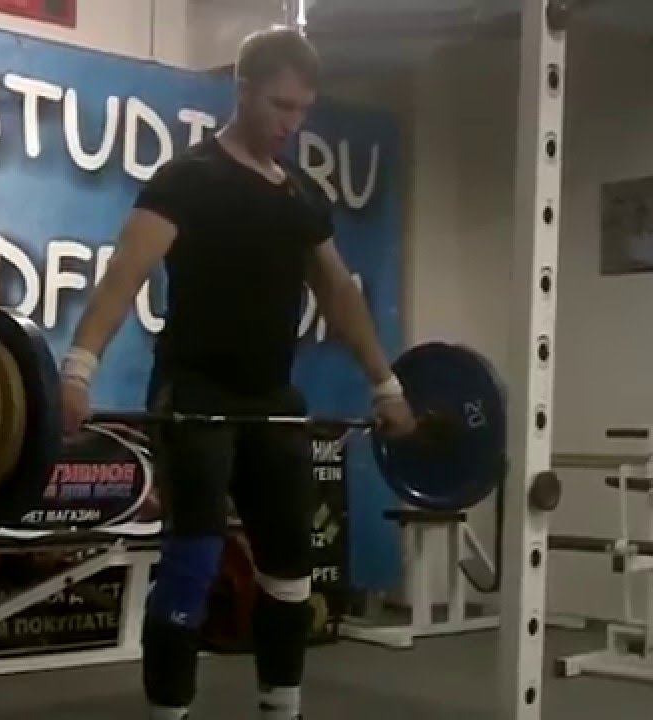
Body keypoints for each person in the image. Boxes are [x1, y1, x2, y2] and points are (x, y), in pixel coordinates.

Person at [58, 26, 417, 720]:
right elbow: (124, 274)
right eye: (279, 105)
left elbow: (339, 293)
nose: (291, 123)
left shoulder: (301, 195)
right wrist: (78, 370)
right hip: (195, 395)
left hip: (271, 400)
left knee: (290, 576)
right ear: (243, 89)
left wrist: (387, 385)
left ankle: (281, 709)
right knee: (191, 566)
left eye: (302, 110)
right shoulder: (188, 179)